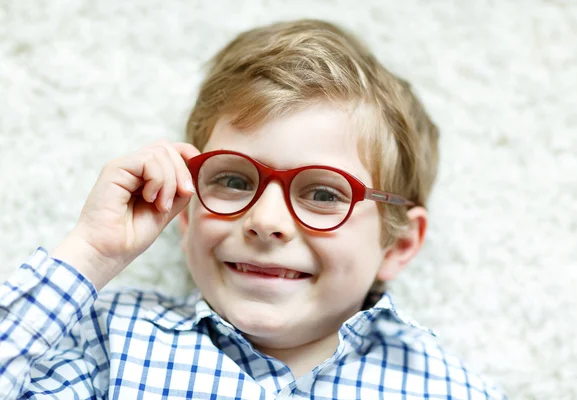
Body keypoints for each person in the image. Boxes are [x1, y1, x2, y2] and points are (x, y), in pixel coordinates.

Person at [0, 19, 506, 399]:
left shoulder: (442, 386)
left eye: (324, 193)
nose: (265, 220)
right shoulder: (114, 341)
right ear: (186, 206)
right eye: (234, 181)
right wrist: (90, 253)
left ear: (397, 243)